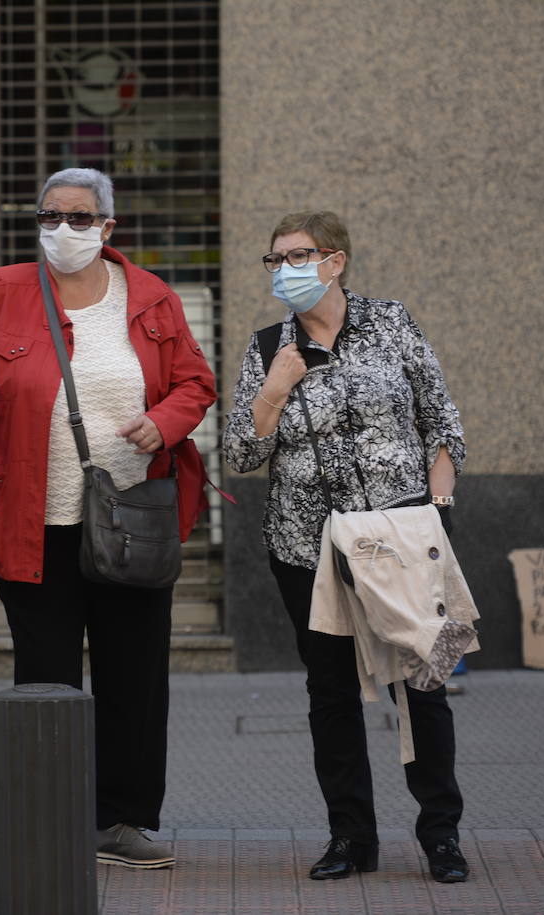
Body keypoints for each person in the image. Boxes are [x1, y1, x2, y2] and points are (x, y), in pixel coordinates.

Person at [0, 167, 216, 869]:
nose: (63, 229)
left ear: (108, 226)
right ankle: (50, 820)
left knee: (134, 677)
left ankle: (122, 821)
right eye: (50, 215)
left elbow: (195, 382)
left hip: (131, 520)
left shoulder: (150, 297)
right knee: (47, 680)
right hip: (32, 524)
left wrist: (165, 421)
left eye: (80, 217)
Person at [222, 210, 470, 883]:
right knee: (330, 691)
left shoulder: (392, 322)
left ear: (336, 261)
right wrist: (272, 393)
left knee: (423, 684)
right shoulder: (268, 344)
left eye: (297, 257)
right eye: (274, 261)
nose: (284, 271)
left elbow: (442, 423)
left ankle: (441, 834)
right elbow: (240, 452)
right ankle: (351, 837)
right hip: (308, 546)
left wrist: (436, 510)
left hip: (401, 535)